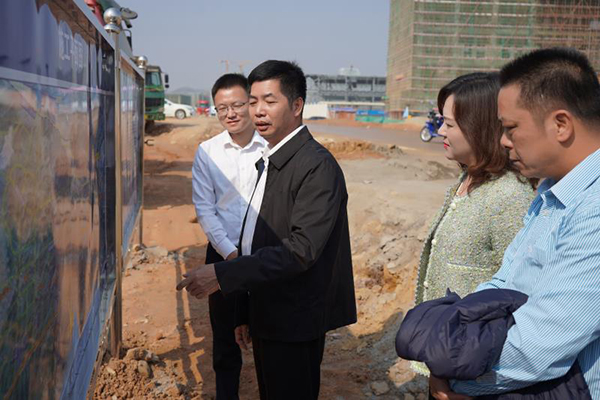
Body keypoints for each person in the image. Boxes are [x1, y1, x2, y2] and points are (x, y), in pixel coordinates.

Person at [178, 60, 357, 400]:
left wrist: (223, 274)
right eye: (254, 101)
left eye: (269, 101)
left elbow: (301, 250)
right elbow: (257, 238)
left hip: (293, 318)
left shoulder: (316, 166)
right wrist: (247, 311)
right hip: (268, 309)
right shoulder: (274, 160)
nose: (258, 111)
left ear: (297, 105)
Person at [430, 47, 600, 400]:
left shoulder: (593, 209)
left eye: (511, 128)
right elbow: (503, 283)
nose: (503, 141)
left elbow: (540, 343)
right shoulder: (551, 193)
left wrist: (457, 378)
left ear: (561, 125)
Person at [411, 72, 536, 396]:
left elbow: (520, 298)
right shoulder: (466, 181)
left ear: (479, 127)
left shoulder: (509, 196)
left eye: (449, 124)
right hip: (450, 360)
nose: (440, 131)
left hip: (476, 374)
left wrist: (477, 381)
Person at [191, 73, 266, 400]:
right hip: (223, 254)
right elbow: (205, 209)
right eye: (222, 108)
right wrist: (230, 255)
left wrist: (252, 258)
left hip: (266, 256)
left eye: (237, 105)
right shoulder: (207, 152)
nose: (230, 113)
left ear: (251, 104)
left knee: (267, 331)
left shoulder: (271, 148)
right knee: (224, 338)